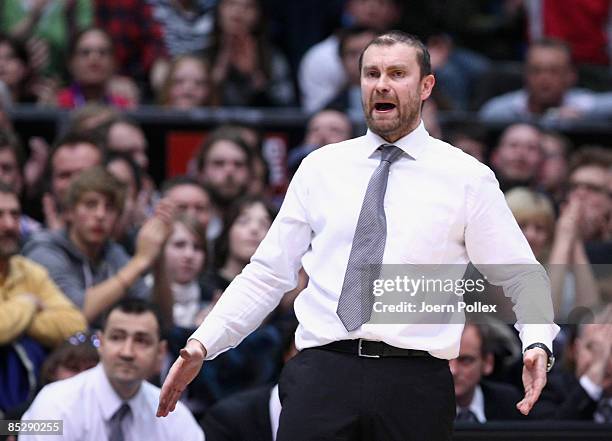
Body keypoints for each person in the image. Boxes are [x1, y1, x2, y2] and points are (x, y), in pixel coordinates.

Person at [158, 31, 558, 441]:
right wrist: (204, 343)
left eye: (397, 73)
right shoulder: (320, 168)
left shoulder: (467, 177)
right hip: (323, 370)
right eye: (372, 73)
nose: (381, 84)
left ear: (426, 86)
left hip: (416, 378)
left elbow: (521, 274)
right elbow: (266, 274)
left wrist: (538, 342)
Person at [21, 299, 204, 440]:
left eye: (141, 341)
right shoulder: (55, 404)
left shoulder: (176, 418)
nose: (127, 352)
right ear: (100, 343)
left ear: (160, 351)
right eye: (117, 337)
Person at [23, 167, 174, 324]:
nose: (100, 215)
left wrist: (159, 259)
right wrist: (140, 261)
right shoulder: (44, 250)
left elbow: (162, 321)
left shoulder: (113, 253)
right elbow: (74, 315)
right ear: (70, 211)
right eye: (90, 204)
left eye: (109, 207)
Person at [479, 38, 612, 122]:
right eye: (536, 70)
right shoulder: (500, 113)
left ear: (570, 76)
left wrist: (583, 121)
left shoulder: (582, 106)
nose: (544, 79)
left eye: (553, 71)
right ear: (526, 74)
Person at [450, 324, 524, 422]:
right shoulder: (424, 408)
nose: (453, 370)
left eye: (465, 360)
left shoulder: (509, 404)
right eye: (444, 360)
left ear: (488, 363)